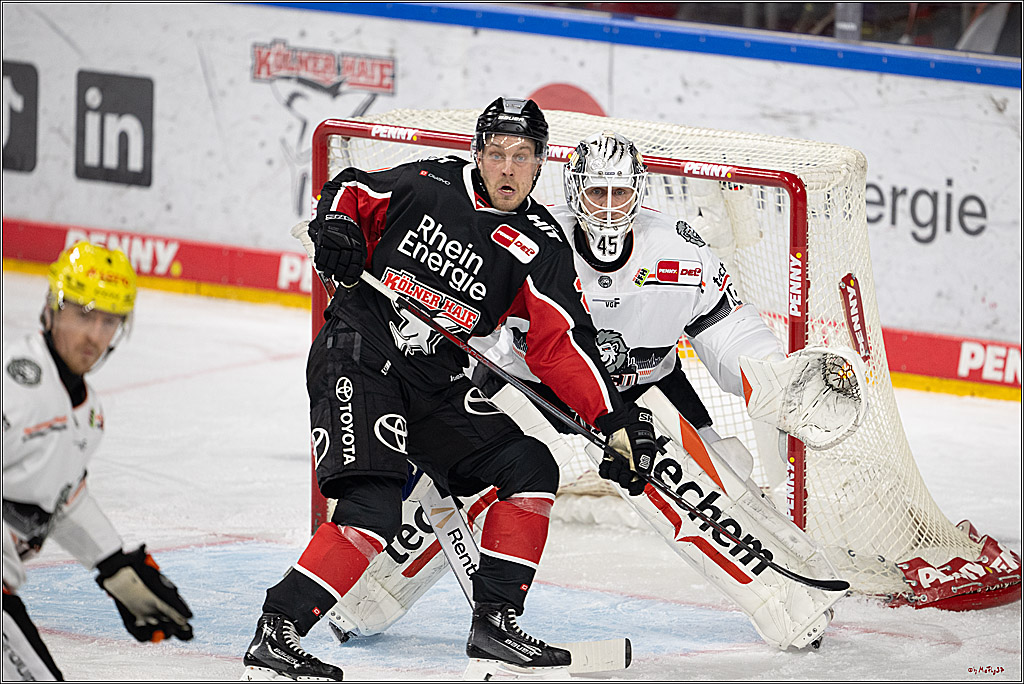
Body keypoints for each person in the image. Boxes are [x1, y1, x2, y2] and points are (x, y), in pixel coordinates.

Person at [324, 131, 867, 653]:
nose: (608, 206)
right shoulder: (534, 238)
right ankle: (360, 602)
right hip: (530, 387)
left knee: (700, 490)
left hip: (633, 399)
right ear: (573, 190)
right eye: (596, 192)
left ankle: (795, 606)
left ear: (640, 193)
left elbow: (726, 325)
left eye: (620, 192)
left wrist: (772, 373)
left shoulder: (678, 249)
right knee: (461, 488)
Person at [241, 98, 657, 681]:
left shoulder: (541, 245)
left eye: (522, 156)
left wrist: (611, 420)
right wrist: (335, 223)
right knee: (373, 510)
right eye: (495, 153)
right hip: (360, 355)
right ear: (477, 154)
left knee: (528, 465)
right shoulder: (428, 184)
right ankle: (277, 630)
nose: (507, 168)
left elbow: (560, 345)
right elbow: (351, 191)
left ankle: (496, 625)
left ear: (541, 164)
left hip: (435, 385)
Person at [2, 242, 194, 681]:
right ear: (52, 309)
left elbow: (61, 495)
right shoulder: (14, 384)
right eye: (84, 315)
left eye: (109, 320)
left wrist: (113, 564)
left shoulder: (87, 415)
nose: (95, 335)